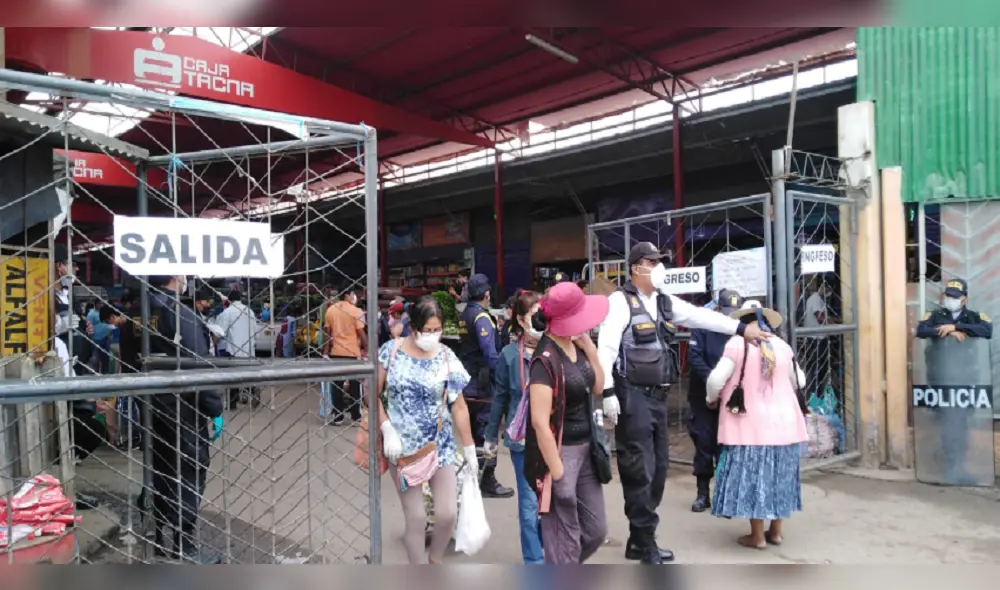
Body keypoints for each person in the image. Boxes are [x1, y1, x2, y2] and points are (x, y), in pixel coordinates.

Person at [597, 242, 770, 564]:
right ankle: (646, 542)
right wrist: (607, 392)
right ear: (636, 268)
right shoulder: (619, 302)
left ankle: (637, 540)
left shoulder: (663, 302)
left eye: (660, 261)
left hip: (657, 398)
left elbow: (700, 316)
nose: (659, 267)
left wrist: (741, 328)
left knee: (659, 469)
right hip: (632, 398)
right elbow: (605, 349)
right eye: (653, 262)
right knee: (639, 470)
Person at [374, 295, 476, 564]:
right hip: (402, 449)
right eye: (427, 330)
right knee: (416, 518)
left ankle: (435, 560)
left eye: (437, 330)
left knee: (447, 514)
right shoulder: (390, 351)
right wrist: (386, 428)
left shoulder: (446, 357)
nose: (432, 335)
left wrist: (469, 448)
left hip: (440, 447)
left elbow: (459, 406)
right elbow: (371, 394)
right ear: (413, 327)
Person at [705, 301, 808, 549]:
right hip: (784, 425)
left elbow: (716, 379)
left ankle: (757, 536)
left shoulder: (738, 344)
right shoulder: (781, 345)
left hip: (749, 425)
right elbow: (800, 381)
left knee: (754, 478)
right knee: (779, 477)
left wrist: (711, 398)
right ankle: (776, 532)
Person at [523, 282, 609, 564]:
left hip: (587, 450)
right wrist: (557, 472)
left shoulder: (576, 345)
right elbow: (539, 421)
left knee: (595, 531)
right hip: (561, 453)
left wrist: (591, 350)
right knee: (565, 538)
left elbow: (597, 387)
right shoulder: (544, 360)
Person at [147, 275, 224, 564]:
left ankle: (155, 536)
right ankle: (184, 544)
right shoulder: (180, 313)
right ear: (176, 275)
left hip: (150, 403)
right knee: (190, 469)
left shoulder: (138, 312)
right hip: (183, 407)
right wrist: (214, 408)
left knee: (159, 468)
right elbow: (199, 366)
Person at [484, 290, 545, 564]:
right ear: (521, 320)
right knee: (530, 503)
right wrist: (490, 436)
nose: (542, 320)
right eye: (536, 315)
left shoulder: (554, 348)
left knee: (551, 501)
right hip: (522, 440)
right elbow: (500, 398)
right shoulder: (509, 356)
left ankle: (550, 550)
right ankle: (534, 562)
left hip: (553, 438)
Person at [687, 288, 743, 513]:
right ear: (718, 308)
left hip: (731, 397)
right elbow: (694, 358)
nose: (730, 317)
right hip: (703, 396)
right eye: (726, 311)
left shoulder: (740, 331)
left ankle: (725, 494)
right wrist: (714, 382)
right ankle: (703, 493)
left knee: (727, 446)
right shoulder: (704, 325)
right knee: (704, 444)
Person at [457, 273, 513, 498]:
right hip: (482, 385)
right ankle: (487, 479)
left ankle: (473, 478)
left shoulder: (465, 314)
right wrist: (504, 377)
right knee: (486, 431)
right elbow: (490, 355)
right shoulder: (481, 317)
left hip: (468, 382)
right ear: (487, 294)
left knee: (472, 432)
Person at [324, 285, 368, 425]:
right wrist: (368, 349)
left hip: (336, 353)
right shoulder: (356, 311)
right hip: (352, 353)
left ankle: (338, 417)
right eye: (353, 294)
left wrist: (325, 352)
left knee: (336, 386)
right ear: (348, 295)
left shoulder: (331, 310)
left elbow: (327, 334)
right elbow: (361, 333)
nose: (355, 297)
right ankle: (356, 417)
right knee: (355, 385)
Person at [216, 289, 258, 408]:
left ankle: (232, 403)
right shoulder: (249, 311)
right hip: (249, 349)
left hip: (234, 349)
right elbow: (255, 330)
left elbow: (221, 331)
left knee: (233, 376)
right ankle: (253, 389)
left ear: (229, 300)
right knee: (247, 374)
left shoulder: (228, 312)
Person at [916, 279, 992, 341]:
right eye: (948, 296)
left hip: (966, 355)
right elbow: (921, 330)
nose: (951, 299)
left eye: (955, 297)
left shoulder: (973, 316)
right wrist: (948, 332)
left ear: (965, 299)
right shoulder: (935, 315)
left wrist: (956, 327)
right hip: (941, 355)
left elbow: (987, 330)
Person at [800, 280, 832, 390]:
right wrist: (832, 323)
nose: (828, 293)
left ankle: (815, 389)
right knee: (818, 365)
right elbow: (819, 317)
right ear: (822, 287)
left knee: (817, 365)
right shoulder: (815, 299)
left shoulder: (816, 299)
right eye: (827, 290)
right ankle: (815, 390)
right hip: (816, 337)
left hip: (815, 337)